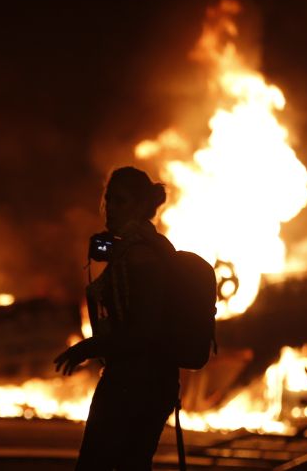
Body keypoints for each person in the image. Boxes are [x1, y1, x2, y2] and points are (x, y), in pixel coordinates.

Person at [55, 166, 179, 470]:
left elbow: (144, 330)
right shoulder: (142, 247)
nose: (110, 207)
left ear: (139, 206)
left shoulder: (142, 257)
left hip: (136, 381)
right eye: (109, 199)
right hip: (150, 381)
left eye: (120, 201)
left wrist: (88, 347)